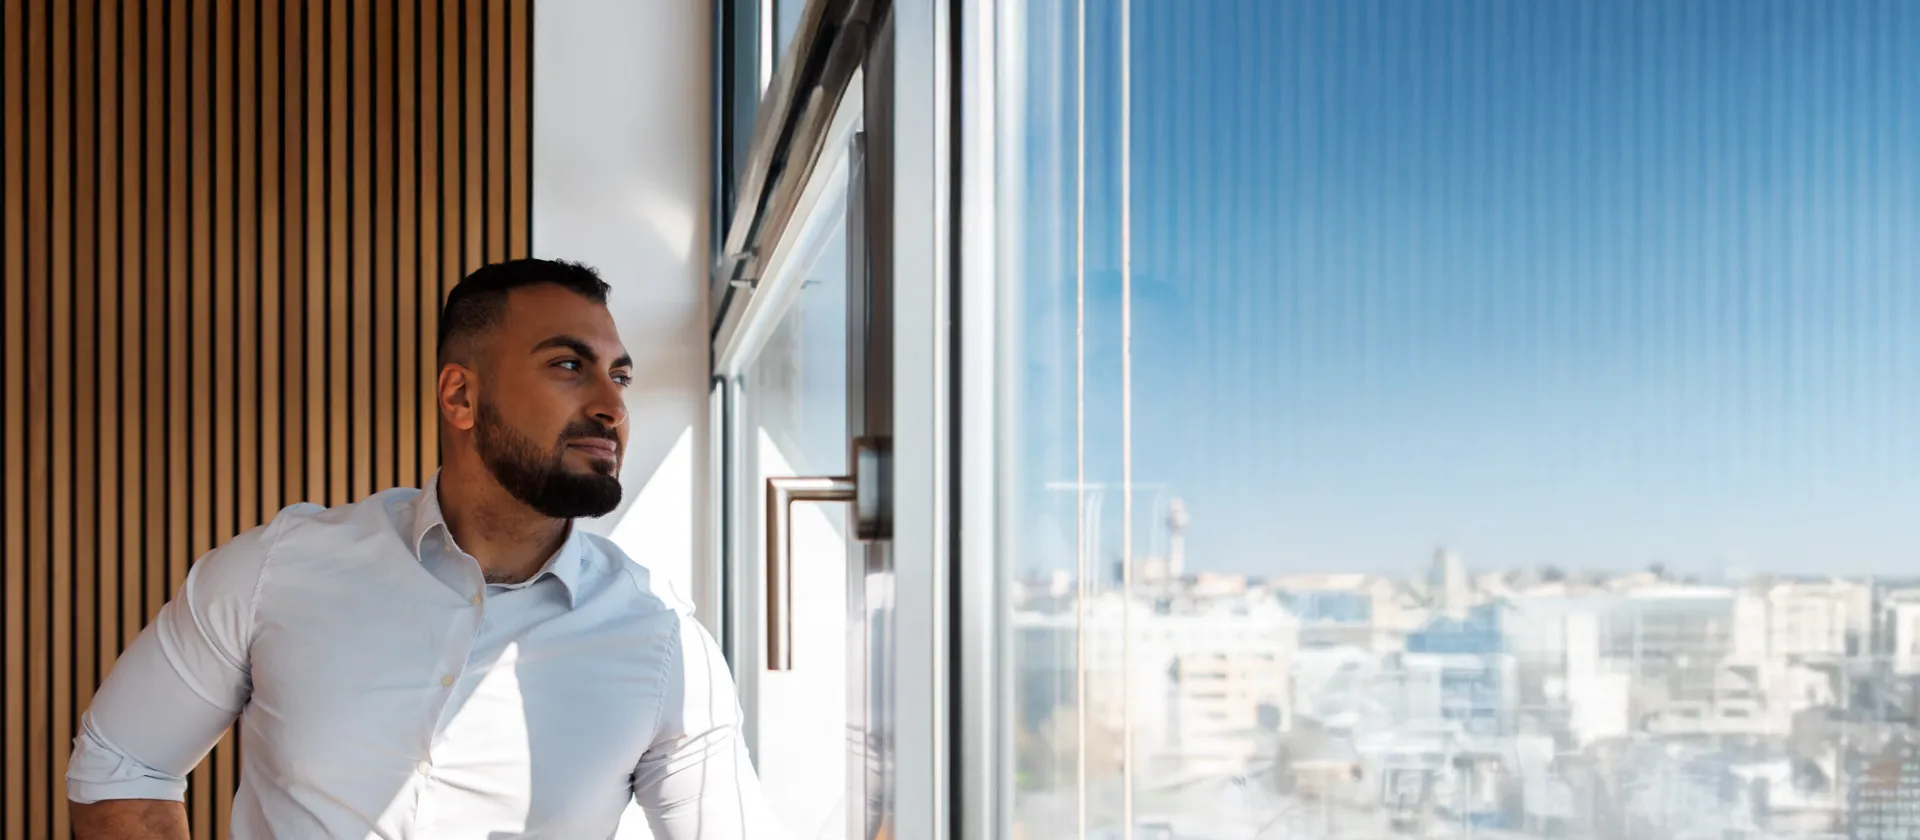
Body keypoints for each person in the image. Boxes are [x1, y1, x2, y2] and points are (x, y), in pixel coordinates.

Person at [67, 259, 783, 839]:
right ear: (460, 397)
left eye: (619, 375)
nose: (612, 406)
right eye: (570, 366)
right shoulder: (274, 571)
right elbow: (120, 762)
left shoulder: (664, 642)